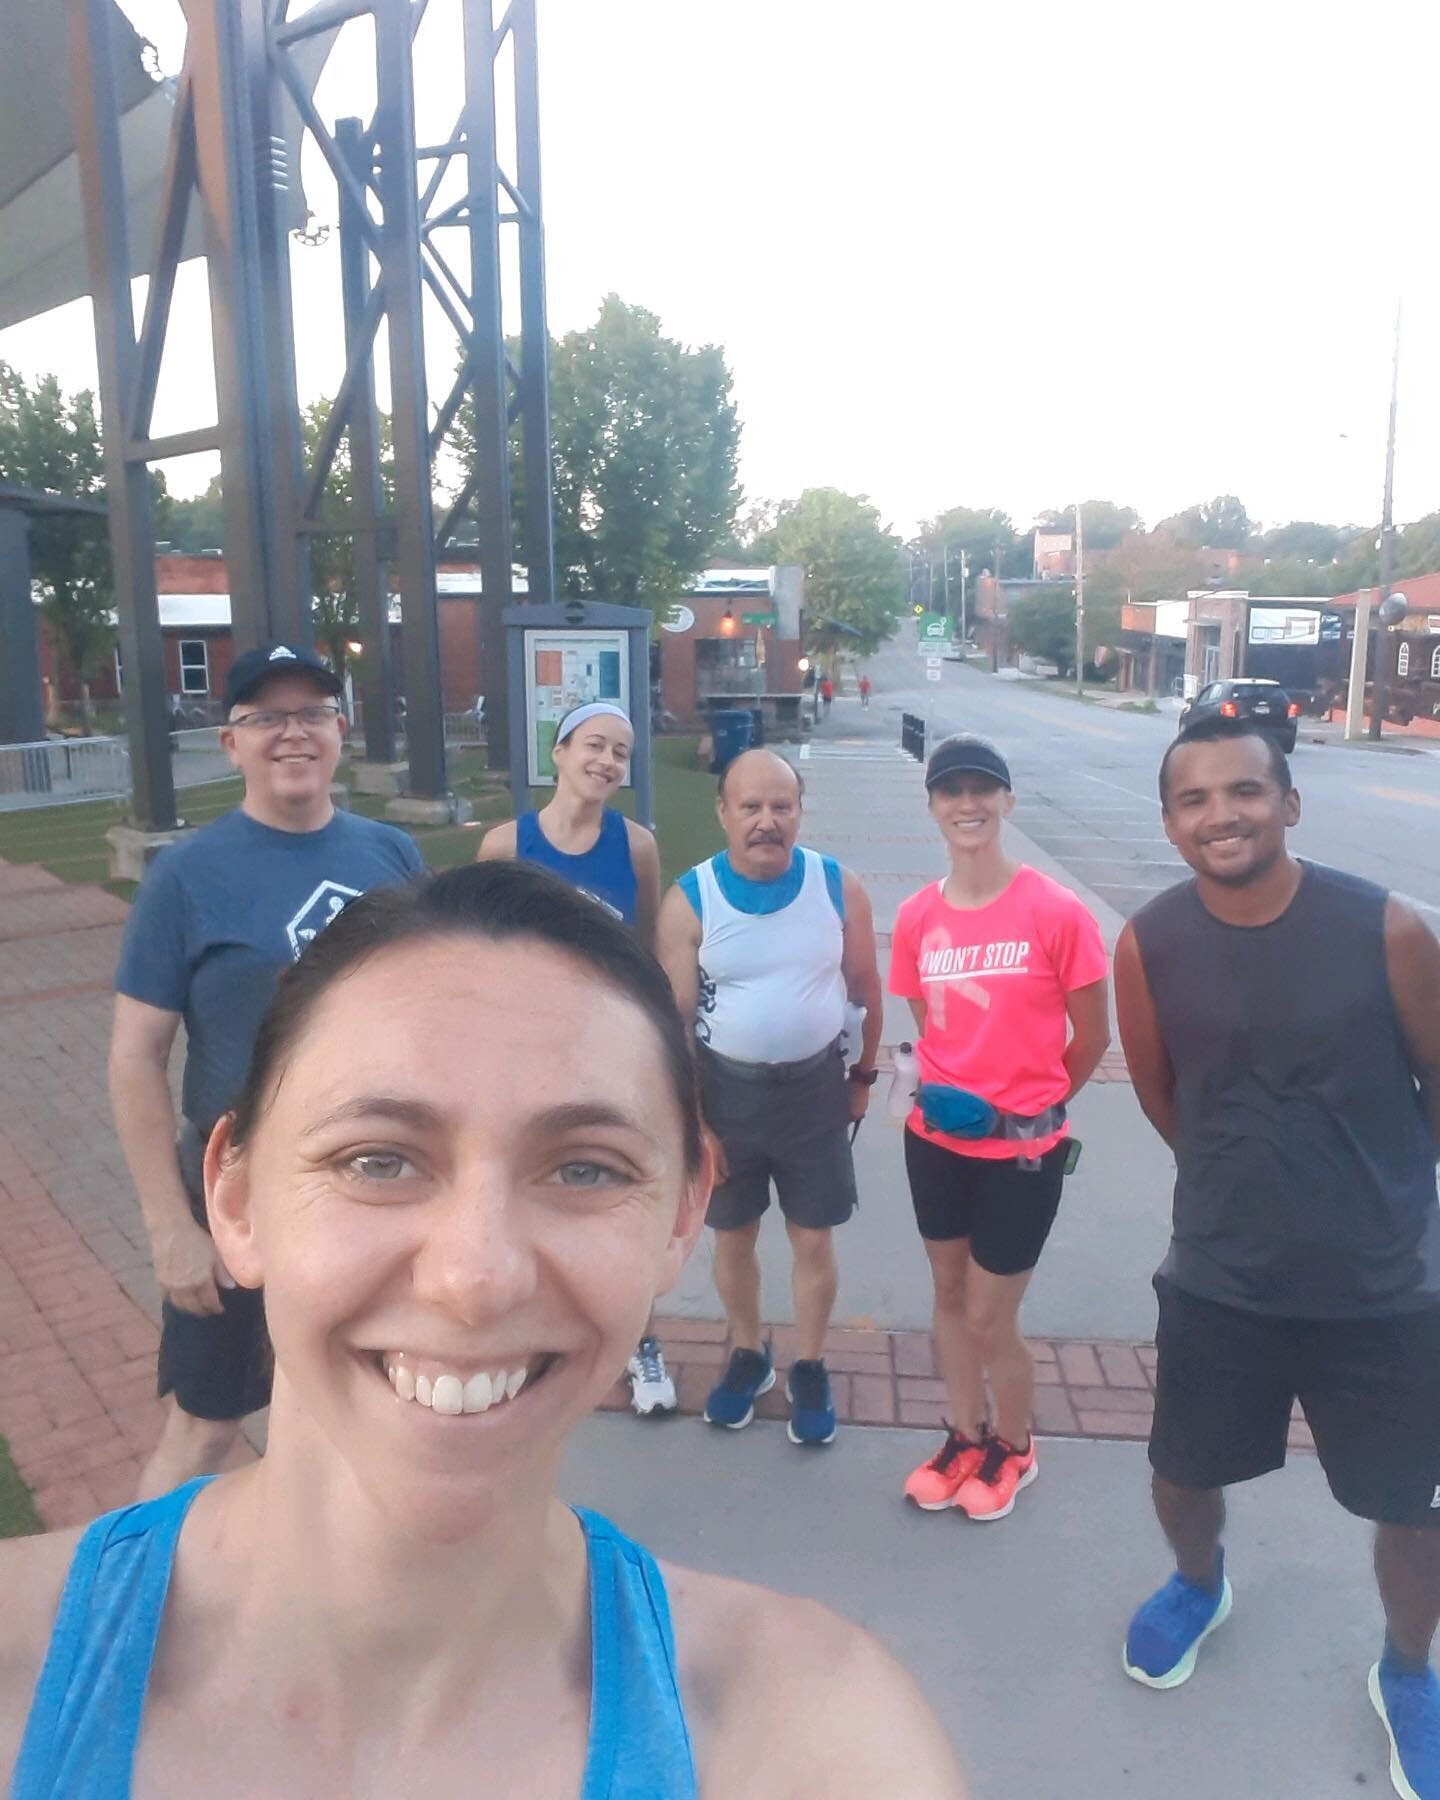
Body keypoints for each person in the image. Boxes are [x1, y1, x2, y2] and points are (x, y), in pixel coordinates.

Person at [1, 863, 965, 1799]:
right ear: (237, 1198)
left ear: (682, 1216)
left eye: (584, 1170)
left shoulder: (805, 1735)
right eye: (379, 1160)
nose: (476, 1279)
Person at [1115, 717, 1440, 1799]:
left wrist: (1377, 1203)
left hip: (1383, 1290)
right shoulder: (1148, 942)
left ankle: (1409, 1669)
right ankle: (1198, 1584)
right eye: (1195, 799)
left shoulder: (1388, 929)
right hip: (1221, 1279)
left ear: (1289, 803)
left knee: (1411, 1506)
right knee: (1180, 1471)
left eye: (1245, 791)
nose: (1222, 815)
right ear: (1169, 822)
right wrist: (1242, 1187)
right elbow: (1168, 1098)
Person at [108, 643, 425, 1500]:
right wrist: (170, 1227)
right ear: (231, 742)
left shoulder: (391, 855)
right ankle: (129, 1605)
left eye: (313, 713)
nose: (294, 733)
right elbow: (135, 1059)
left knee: (352, 1405)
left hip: (368, 1181)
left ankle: (320, 1597)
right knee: (206, 1428)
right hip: (238, 1186)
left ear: (340, 732)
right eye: (268, 717)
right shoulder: (184, 876)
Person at [889, 735, 1109, 1521]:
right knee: (948, 1295)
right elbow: (930, 1023)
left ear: (1008, 802)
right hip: (937, 1142)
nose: (968, 804)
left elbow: (1092, 1036)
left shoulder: (1055, 910)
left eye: (984, 790)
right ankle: (962, 1434)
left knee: (990, 1314)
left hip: (1023, 1152)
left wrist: (1035, 1106)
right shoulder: (917, 916)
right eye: (952, 792)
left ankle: (1014, 1446)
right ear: (934, 808)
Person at [657, 749, 883, 1447]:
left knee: (813, 1236)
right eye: (750, 807)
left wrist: (863, 1080)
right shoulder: (691, 897)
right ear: (722, 812)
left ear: (799, 812)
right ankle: (750, 1353)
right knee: (734, 1233)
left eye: (781, 806)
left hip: (814, 1090)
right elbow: (676, 1021)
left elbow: (864, 989)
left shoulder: (836, 886)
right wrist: (695, 1122)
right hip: (727, 1094)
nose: (767, 821)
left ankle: (809, 1364)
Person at [477, 700, 674, 1416]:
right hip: (522, 1058)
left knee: (617, 1203)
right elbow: (478, 955)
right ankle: (526, 1342)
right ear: (558, 754)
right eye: (594, 745)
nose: (607, 762)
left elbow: (646, 951)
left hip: (607, 1057)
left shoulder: (637, 846)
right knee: (521, 1199)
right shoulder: (506, 845)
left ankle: (639, 1342)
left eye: (620, 753)